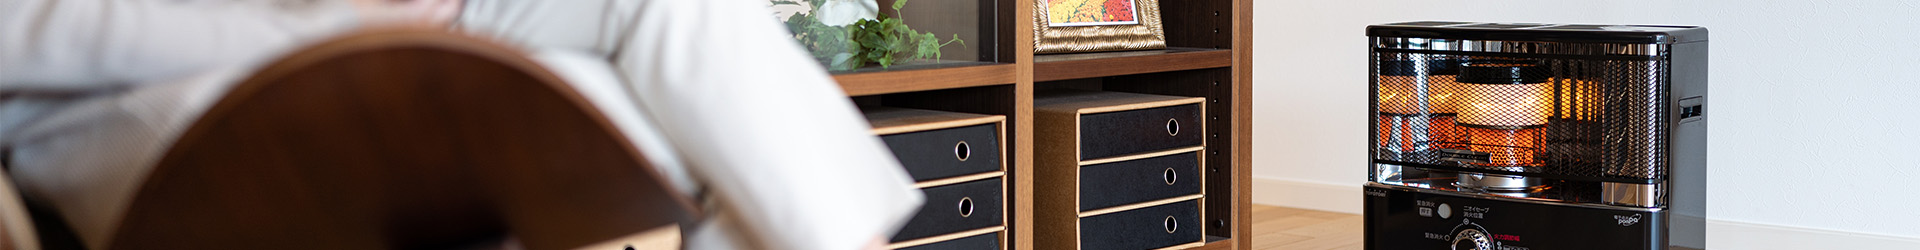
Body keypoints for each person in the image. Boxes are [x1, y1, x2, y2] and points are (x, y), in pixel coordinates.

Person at [0, 0, 923, 249]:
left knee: (672, 20)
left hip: (309, 24)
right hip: (138, 83)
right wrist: (350, 20)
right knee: (625, 100)